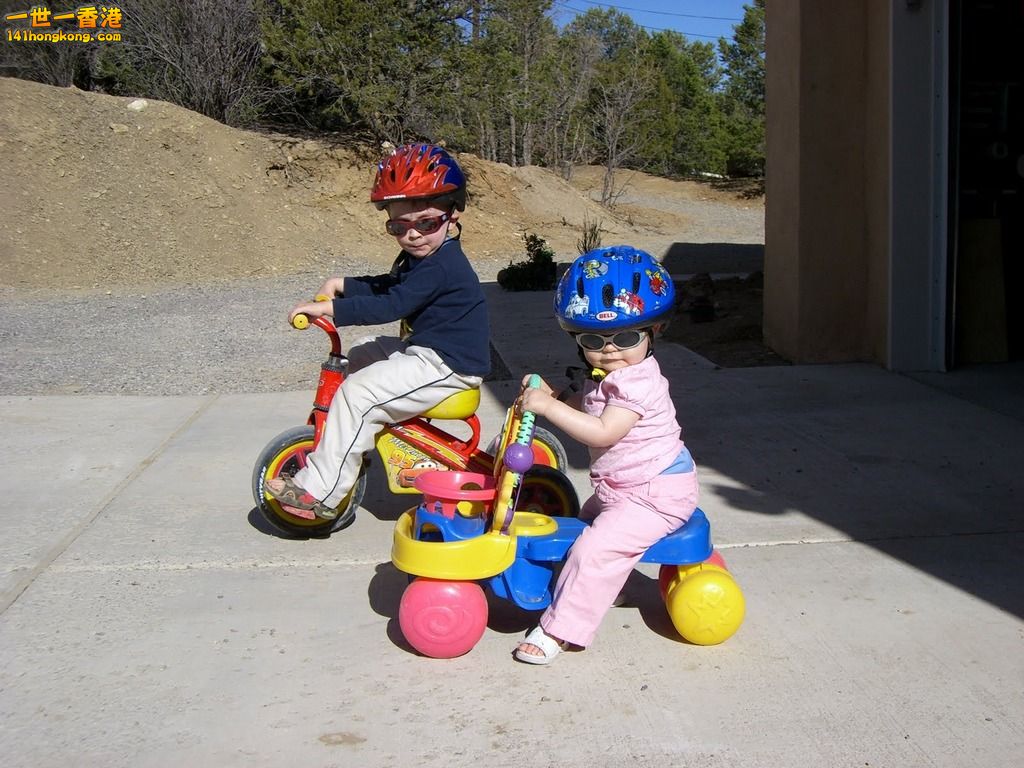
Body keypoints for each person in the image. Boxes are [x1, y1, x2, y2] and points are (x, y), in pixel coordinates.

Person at [266, 143, 490, 521]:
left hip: (449, 366)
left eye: (426, 223)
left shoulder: (443, 265)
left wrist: (330, 308)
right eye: (398, 227)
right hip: (429, 352)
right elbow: (390, 286)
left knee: (358, 393)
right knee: (364, 353)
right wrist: (344, 284)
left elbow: (392, 305)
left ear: (453, 215)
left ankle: (319, 494)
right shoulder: (423, 257)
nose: (413, 235)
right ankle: (351, 439)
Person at [513, 245, 697, 664]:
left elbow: (603, 430)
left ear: (656, 331)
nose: (610, 350)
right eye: (594, 340)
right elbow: (588, 404)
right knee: (578, 529)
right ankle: (617, 583)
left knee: (593, 549)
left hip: (655, 494)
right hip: (624, 487)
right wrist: (556, 395)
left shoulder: (639, 383)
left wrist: (547, 407)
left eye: (627, 337)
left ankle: (560, 631)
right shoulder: (611, 373)